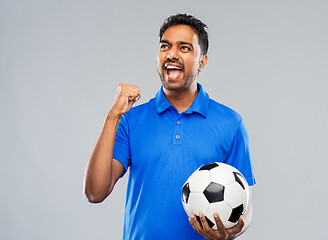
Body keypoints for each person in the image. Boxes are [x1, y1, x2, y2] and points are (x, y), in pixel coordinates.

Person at [84, 13, 256, 240]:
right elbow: (95, 192)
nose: (172, 54)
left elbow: (244, 204)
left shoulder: (231, 123)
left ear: (202, 61)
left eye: (184, 48)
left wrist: (232, 232)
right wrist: (113, 115)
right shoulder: (131, 119)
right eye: (165, 46)